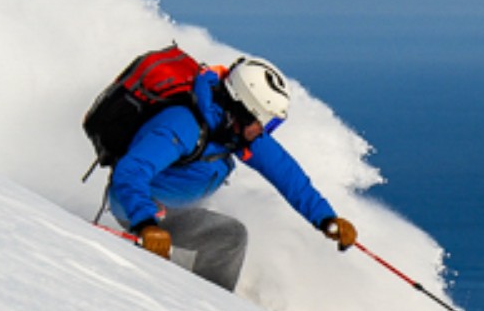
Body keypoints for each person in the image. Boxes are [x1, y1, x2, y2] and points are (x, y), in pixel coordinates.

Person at [106, 55, 356, 291]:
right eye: (264, 122)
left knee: (230, 236)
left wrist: (326, 218)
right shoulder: (183, 124)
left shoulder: (237, 132)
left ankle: (210, 303)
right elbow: (131, 171)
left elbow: (286, 174)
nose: (264, 131)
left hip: (172, 209)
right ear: (242, 108)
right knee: (228, 237)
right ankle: (205, 306)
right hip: (137, 208)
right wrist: (145, 223)